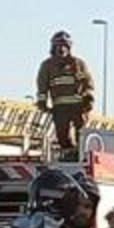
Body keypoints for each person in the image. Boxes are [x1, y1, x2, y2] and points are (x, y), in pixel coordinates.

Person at [36, 31, 95, 160]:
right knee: (62, 134)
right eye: (58, 46)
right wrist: (42, 102)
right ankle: (69, 154)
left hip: (78, 106)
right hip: (60, 107)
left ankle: (81, 154)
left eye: (64, 46)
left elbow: (88, 82)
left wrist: (88, 98)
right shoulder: (47, 66)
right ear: (53, 47)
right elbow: (42, 85)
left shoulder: (78, 64)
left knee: (82, 132)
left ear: (69, 47)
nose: (61, 49)